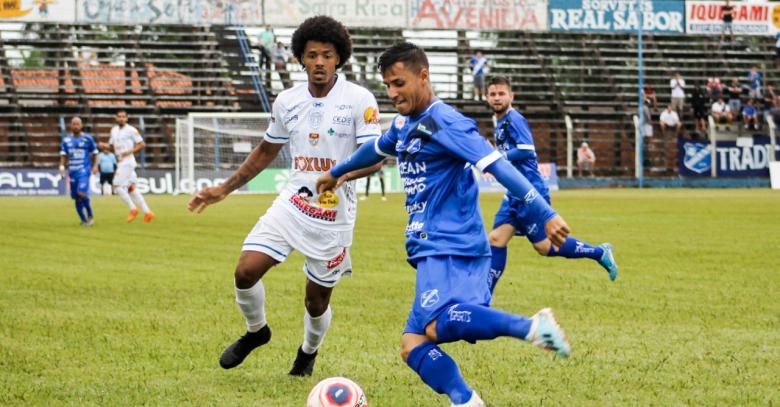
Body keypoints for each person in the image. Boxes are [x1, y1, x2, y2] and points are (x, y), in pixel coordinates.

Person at [318, 42, 573, 407]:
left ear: (423, 76)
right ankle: (466, 400)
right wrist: (337, 172)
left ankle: (532, 327)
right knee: (413, 343)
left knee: (436, 325)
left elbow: (498, 166)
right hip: (436, 243)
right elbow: (376, 149)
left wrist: (545, 213)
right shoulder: (405, 123)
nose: (392, 93)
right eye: (387, 85)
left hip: (448, 241)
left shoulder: (445, 121)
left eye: (399, 83)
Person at [187, 16, 383, 377]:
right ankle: (257, 331)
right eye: (312, 55)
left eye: (327, 55)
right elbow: (265, 150)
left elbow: (375, 156)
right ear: (301, 59)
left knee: (315, 301)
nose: (319, 62)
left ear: (339, 58)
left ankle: (308, 352)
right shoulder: (287, 100)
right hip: (293, 204)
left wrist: (341, 175)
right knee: (245, 272)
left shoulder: (359, 99)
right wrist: (224, 188)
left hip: (334, 216)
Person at [485, 75, 616, 294]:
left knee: (545, 247)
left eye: (501, 94)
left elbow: (527, 150)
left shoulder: (514, 119)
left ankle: (599, 252)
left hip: (530, 191)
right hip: (514, 191)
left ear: (511, 96)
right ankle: (484, 298)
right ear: (486, 97)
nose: (497, 98)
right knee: (496, 239)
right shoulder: (500, 122)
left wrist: (498, 156)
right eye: (492, 94)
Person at [98, 110, 155, 223]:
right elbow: (112, 148)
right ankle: (148, 212)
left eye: (123, 117)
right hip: (120, 162)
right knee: (131, 188)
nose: (121, 118)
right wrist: (104, 146)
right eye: (119, 116)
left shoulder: (131, 130)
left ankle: (133, 209)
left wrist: (129, 152)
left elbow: (142, 144)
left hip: (128, 162)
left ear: (127, 118)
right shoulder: (114, 130)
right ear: (116, 118)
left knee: (116, 185)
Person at [59, 117, 97, 226]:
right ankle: (84, 220)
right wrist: (61, 168)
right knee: (76, 197)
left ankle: (90, 215)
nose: (76, 126)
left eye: (78, 124)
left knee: (81, 193)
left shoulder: (88, 139)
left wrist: (95, 165)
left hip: (84, 170)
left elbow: (95, 152)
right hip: (72, 171)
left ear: (81, 125)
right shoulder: (66, 140)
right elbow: (63, 156)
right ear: (71, 126)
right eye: (73, 124)